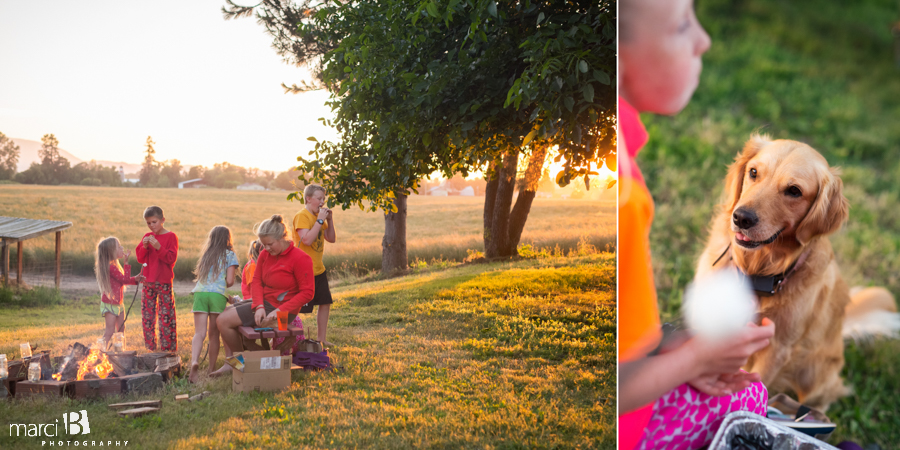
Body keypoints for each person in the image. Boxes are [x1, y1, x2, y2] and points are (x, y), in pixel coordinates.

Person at [618, 0, 776, 448]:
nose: (704, 40)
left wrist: (677, 347)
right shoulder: (622, 195)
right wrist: (696, 358)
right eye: (682, 24)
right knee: (750, 401)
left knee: (750, 391)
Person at [217, 215, 315, 367]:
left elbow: (307, 293)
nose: (266, 248)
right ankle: (240, 362)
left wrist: (279, 311)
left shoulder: (301, 258)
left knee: (223, 321)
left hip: (283, 312)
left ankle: (238, 365)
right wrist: (259, 306)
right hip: (265, 304)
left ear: (282, 237)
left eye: (270, 244)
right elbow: (256, 281)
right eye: (264, 244)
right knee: (223, 314)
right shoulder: (265, 254)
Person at [188, 226, 239, 383]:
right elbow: (230, 281)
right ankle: (211, 369)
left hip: (200, 293)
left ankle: (194, 361)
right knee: (214, 333)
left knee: (199, 333)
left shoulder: (206, 255)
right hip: (217, 295)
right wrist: (222, 286)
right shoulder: (230, 255)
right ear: (228, 238)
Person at [291, 184, 337, 346]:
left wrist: (329, 221)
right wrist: (319, 220)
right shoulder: (302, 216)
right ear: (308, 199)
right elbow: (307, 240)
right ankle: (288, 338)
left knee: (325, 303)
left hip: (318, 269)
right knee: (296, 307)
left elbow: (331, 239)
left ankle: (321, 338)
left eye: (324, 199)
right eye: (319, 198)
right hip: (303, 271)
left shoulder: (320, 218)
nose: (322, 202)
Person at [135, 205, 179, 352]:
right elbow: (140, 259)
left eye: (154, 222)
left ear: (162, 220)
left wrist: (159, 247)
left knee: (166, 315)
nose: (151, 226)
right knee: (148, 316)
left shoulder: (171, 237)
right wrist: (145, 247)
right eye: (148, 223)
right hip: (148, 282)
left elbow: (171, 259)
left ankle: (168, 348)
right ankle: (150, 347)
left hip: (164, 282)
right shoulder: (146, 237)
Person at [95, 237, 144, 346]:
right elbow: (125, 279)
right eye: (118, 246)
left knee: (121, 329)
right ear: (111, 251)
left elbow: (122, 281)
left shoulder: (114, 266)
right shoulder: (110, 267)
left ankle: (120, 353)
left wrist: (135, 279)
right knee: (110, 331)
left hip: (118, 304)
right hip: (110, 304)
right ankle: (100, 354)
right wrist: (126, 263)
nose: (122, 248)